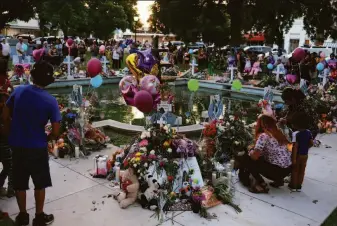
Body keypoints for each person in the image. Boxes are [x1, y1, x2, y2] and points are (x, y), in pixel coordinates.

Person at [3, 61, 61, 226]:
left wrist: (9, 130)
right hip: (37, 147)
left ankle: (22, 216)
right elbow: (56, 131)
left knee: (20, 183)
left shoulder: (19, 91)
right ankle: (39, 216)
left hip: (17, 145)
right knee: (39, 183)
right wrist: (48, 138)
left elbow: (5, 113)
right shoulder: (50, 101)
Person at [237, 115, 291, 193]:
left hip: (276, 172)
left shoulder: (264, 135)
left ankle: (261, 185)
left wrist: (249, 150)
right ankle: (279, 181)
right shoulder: (279, 133)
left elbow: (254, 157)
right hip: (286, 170)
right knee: (260, 157)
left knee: (246, 158)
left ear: (262, 125)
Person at [288, 112, 313, 192]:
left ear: (296, 124)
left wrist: (294, 159)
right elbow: (311, 143)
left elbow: (295, 147)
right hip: (305, 155)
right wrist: (306, 148)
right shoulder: (309, 132)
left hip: (298, 155)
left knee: (295, 170)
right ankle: (299, 186)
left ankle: (293, 186)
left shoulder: (296, 134)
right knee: (302, 170)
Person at [0, 92, 14, 197]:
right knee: (9, 167)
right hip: (4, 145)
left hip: (5, 144)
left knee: (7, 167)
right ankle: (11, 189)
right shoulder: (4, 116)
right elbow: (6, 131)